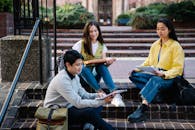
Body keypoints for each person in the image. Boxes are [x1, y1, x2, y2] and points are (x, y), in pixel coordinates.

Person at [127, 18, 185, 123]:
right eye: (158, 29)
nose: (160, 31)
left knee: (155, 80)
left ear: (169, 30)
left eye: (162, 29)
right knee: (134, 75)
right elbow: (148, 62)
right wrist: (137, 69)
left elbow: (178, 68)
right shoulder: (155, 45)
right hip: (155, 73)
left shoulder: (176, 46)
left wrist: (164, 74)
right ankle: (158, 95)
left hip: (169, 78)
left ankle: (143, 108)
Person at [44, 49, 116, 130]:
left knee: (98, 106)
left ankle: (87, 125)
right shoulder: (62, 80)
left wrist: (99, 96)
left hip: (70, 106)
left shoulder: (75, 76)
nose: (80, 67)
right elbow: (78, 103)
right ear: (68, 65)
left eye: (81, 64)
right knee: (91, 111)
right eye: (77, 65)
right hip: (57, 113)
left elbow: (84, 95)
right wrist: (103, 101)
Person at [72, 20, 125, 107]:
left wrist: (108, 63)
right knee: (83, 67)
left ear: (99, 31)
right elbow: (75, 63)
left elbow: (103, 64)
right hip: (82, 78)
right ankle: (101, 93)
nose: (93, 33)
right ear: (87, 32)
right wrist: (89, 62)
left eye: (95, 31)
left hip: (95, 79)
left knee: (101, 66)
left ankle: (115, 94)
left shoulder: (102, 45)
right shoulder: (80, 44)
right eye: (91, 31)